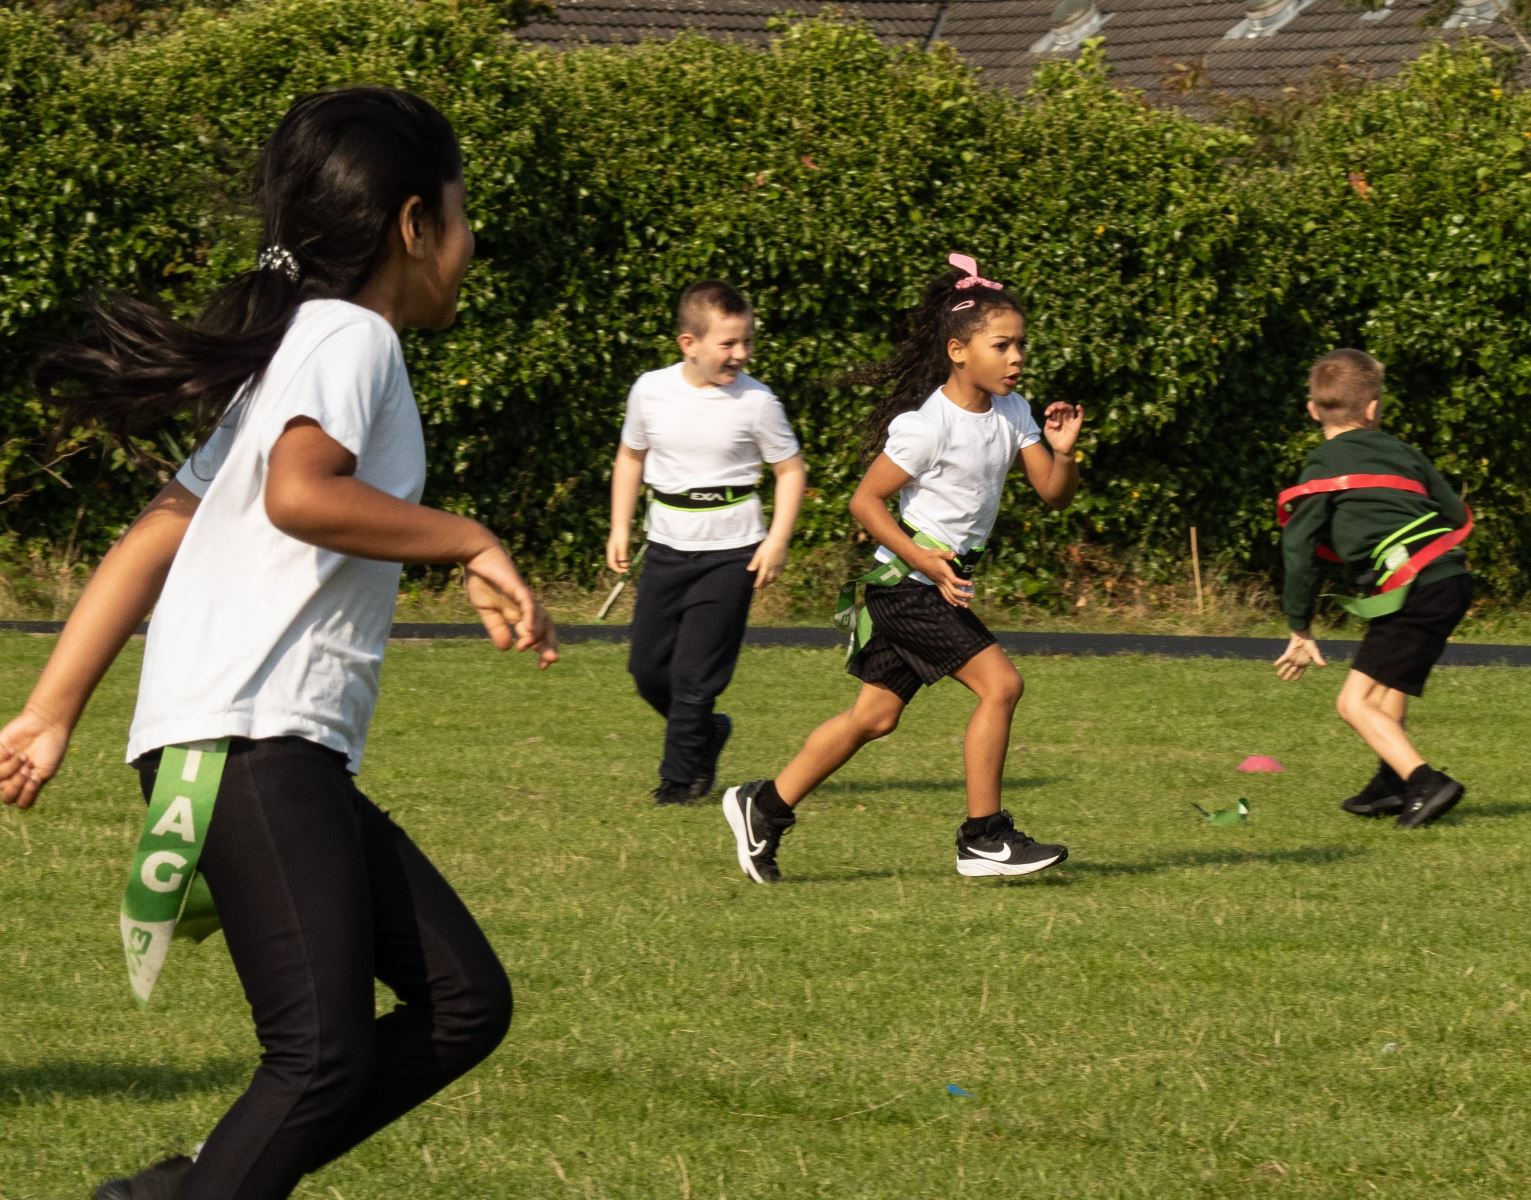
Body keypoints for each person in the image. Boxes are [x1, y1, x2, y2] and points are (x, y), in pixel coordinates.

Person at [0, 87, 556, 1199]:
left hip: (244, 741)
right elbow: (306, 497)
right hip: (248, 739)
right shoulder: (351, 337)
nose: (471, 238)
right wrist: (466, 537)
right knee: (318, 1056)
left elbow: (158, 531)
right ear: (412, 225)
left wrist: (50, 710)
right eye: (461, 209)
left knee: (460, 1003)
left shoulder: (295, 345)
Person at [720, 253, 1082, 884]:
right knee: (1002, 686)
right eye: (1003, 345)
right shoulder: (926, 426)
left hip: (938, 584)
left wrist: (1065, 452)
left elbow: (1053, 492)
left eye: (1021, 343)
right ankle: (984, 838)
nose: (1017, 356)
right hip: (907, 587)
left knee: (874, 718)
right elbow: (864, 501)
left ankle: (764, 806)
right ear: (958, 350)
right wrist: (924, 560)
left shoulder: (1014, 412)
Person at [607, 281, 806, 805]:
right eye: (728, 344)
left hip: (733, 552)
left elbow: (789, 469)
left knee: (696, 676)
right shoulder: (649, 391)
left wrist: (777, 541)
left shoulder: (758, 402)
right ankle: (707, 732)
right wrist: (619, 527)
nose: (740, 355)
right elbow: (631, 457)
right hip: (667, 548)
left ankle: (679, 782)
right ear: (688, 343)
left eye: (746, 343)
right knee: (648, 672)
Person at [1274, 348, 1472, 828]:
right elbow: (1454, 514)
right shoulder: (1404, 453)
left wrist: (1300, 627)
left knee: (1354, 702)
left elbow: (1297, 548)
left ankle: (1425, 781)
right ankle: (1391, 784)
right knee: (1389, 687)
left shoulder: (1322, 465)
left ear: (1312, 410)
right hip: (1448, 577)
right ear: (1373, 409)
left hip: (1412, 584)